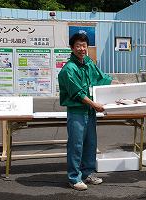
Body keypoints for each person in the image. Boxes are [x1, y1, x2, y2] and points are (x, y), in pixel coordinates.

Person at [58, 33, 118, 191]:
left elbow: (102, 78)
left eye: (84, 45)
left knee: (91, 144)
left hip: (90, 111)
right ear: (72, 48)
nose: (82, 49)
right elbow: (77, 93)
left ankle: (88, 173)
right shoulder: (68, 69)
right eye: (78, 45)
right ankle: (73, 178)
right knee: (76, 145)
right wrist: (94, 104)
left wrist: (121, 85)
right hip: (77, 112)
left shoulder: (89, 63)